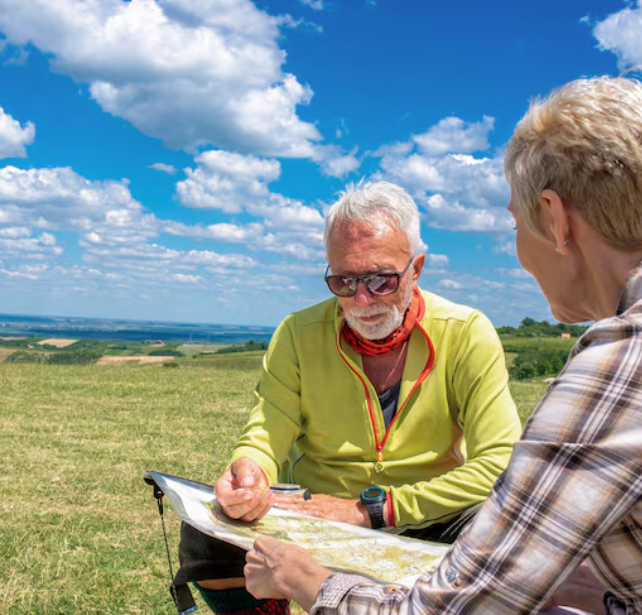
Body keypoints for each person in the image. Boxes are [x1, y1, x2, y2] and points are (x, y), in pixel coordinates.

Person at [243, 76, 642, 615]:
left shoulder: (627, 357)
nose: (519, 252)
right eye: (345, 283)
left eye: (517, 224)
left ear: (555, 218)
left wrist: (308, 581)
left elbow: (450, 610)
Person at [176, 180, 523, 615]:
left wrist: (371, 512)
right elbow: (267, 431)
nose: (361, 299)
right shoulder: (297, 333)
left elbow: (502, 465)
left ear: (417, 267)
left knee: (511, 534)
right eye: (343, 280)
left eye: (380, 279)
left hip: (428, 518)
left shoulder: (467, 332)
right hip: (314, 515)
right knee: (209, 531)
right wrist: (250, 471)